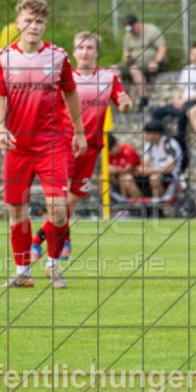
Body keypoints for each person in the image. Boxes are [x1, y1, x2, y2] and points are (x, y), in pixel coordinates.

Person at [0, 0, 85, 289]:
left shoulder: (58, 57)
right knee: (16, 211)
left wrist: (79, 131)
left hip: (50, 145)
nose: (33, 26)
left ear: (45, 25)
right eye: (28, 20)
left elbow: (70, 92)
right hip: (17, 146)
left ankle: (53, 265)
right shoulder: (3, 58)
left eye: (39, 21)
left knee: (58, 209)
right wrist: (0, 129)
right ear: (18, 23)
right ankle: (22, 272)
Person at [32, 31, 132, 265]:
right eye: (81, 48)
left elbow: (124, 106)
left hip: (92, 148)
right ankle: (39, 241)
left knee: (72, 201)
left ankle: (61, 237)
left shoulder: (108, 78)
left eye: (89, 48)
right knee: (59, 199)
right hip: (64, 144)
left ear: (97, 52)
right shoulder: (63, 79)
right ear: (74, 52)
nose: (85, 52)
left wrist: (127, 105)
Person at [151, 42, 196, 138]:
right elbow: (180, 89)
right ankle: (165, 138)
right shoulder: (186, 69)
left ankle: (180, 139)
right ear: (190, 55)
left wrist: (183, 101)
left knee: (182, 112)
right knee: (156, 112)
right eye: (193, 54)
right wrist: (176, 100)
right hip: (183, 101)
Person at [119, 120, 183, 203]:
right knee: (126, 178)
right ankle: (141, 207)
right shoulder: (149, 145)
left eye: (148, 133)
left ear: (157, 134)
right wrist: (140, 171)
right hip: (156, 174)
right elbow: (144, 165)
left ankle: (159, 207)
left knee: (154, 178)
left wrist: (150, 171)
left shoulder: (170, 144)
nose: (145, 136)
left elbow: (170, 168)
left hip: (170, 176)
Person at [116, 14, 167, 108]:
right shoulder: (128, 36)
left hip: (149, 61)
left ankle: (144, 100)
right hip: (133, 61)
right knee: (114, 69)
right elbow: (125, 54)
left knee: (134, 70)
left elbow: (162, 48)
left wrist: (156, 62)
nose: (131, 31)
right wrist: (127, 58)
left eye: (132, 28)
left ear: (138, 23)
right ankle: (121, 99)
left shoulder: (152, 31)